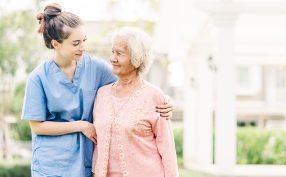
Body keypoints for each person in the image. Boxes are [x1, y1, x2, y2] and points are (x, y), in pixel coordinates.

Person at [22, 4, 173, 177]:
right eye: (76, 43)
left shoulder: (96, 68)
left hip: (84, 163)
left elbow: (132, 84)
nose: (83, 48)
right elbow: (37, 127)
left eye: (84, 40)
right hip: (51, 164)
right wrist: (81, 125)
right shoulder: (38, 78)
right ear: (56, 44)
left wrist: (163, 99)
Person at [92, 27, 179, 177]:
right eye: (112, 52)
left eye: (119, 53)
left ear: (136, 58)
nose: (113, 58)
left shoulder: (154, 96)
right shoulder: (102, 94)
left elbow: (167, 149)